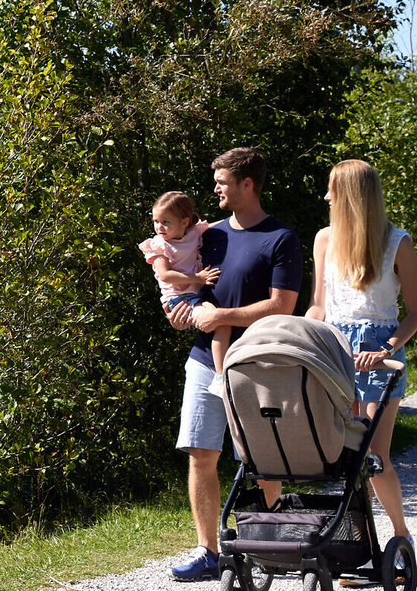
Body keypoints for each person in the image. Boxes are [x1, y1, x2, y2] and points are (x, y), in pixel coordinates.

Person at [165, 148, 303, 582]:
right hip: (206, 359)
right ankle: (208, 551)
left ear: (248, 184)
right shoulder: (210, 236)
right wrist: (181, 311)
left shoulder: (281, 238)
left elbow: (283, 306)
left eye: (223, 182)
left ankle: (274, 545)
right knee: (200, 454)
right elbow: (192, 285)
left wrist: (222, 316)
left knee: (265, 457)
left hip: (260, 365)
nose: (216, 189)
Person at [304, 159, 417, 552]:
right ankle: (360, 544)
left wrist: (386, 349)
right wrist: (303, 338)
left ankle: (400, 534)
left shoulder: (397, 242)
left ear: (351, 197)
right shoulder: (324, 239)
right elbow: (319, 306)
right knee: (343, 458)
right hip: (335, 347)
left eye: (331, 191)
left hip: (379, 353)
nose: (324, 198)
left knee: (373, 456)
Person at [141, 191, 229, 365]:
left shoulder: (193, 233)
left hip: (195, 297)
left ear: (184, 222)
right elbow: (165, 276)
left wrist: (239, 219)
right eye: (156, 221)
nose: (159, 227)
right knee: (220, 323)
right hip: (177, 300)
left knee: (221, 324)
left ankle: (221, 372)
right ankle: (221, 376)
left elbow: (219, 226)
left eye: (166, 222)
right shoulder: (159, 245)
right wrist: (197, 278)